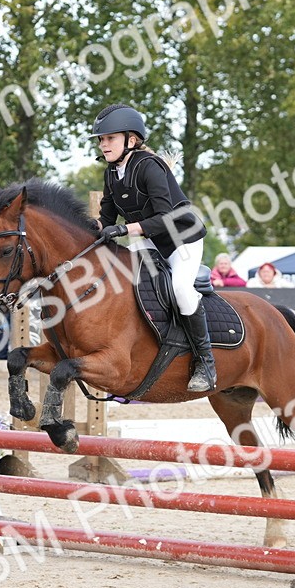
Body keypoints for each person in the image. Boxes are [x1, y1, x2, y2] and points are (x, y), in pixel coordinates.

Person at [91, 104, 216, 392]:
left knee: (181, 289)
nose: (103, 144)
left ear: (131, 140)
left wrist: (125, 229)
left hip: (181, 240)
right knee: (127, 284)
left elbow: (164, 218)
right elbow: (105, 220)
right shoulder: (112, 173)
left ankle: (206, 363)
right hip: (148, 241)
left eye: (110, 138)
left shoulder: (150, 166)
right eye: (101, 139)